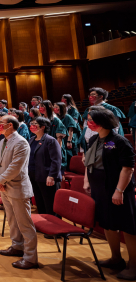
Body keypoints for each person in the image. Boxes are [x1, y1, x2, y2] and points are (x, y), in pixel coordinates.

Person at [83, 107, 136, 280]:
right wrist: (86, 181)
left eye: (92, 120)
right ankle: (116, 258)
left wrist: (119, 191)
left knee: (127, 227)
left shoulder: (118, 141)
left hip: (117, 189)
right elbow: (88, 163)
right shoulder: (94, 140)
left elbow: (128, 168)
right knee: (107, 224)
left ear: (103, 121)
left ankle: (134, 266)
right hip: (100, 189)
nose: (89, 123)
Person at [0, 115, 38, 270]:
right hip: (5, 186)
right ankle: (17, 246)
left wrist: (1, 180)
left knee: (24, 224)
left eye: (1, 123)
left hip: (18, 187)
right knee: (12, 220)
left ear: (11, 125)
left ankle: (30, 257)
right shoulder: (2, 141)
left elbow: (16, 166)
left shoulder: (21, 142)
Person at [28, 117, 62, 216]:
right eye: (31, 123)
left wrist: (52, 176)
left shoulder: (50, 140)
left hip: (46, 176)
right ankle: (44, 222)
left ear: (43, 127)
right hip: (34, 175)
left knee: (49, 202)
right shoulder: (31, 139)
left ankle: (54, 225)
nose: (32, 126)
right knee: (39, 200)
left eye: (35, 124)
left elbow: (56, 160)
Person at [39, 100, 67, 172]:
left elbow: (59, 137)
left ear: (49, 107)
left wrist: (57, 150)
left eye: (42, 106)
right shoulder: (41, 119)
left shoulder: (55, 119)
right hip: (44, 146)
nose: (40, 108)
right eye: (39, 106)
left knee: (59, 171)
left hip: (54, 146)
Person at [54, 102, 81, 169]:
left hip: (69, 139)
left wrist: (69, 141)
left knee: (71, 156)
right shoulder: (57, 117)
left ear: (61, 108)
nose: (54, 108)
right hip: (62, 139)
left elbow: (71, 130)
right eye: (54, 107)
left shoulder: (67, 117)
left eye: (56, 107)